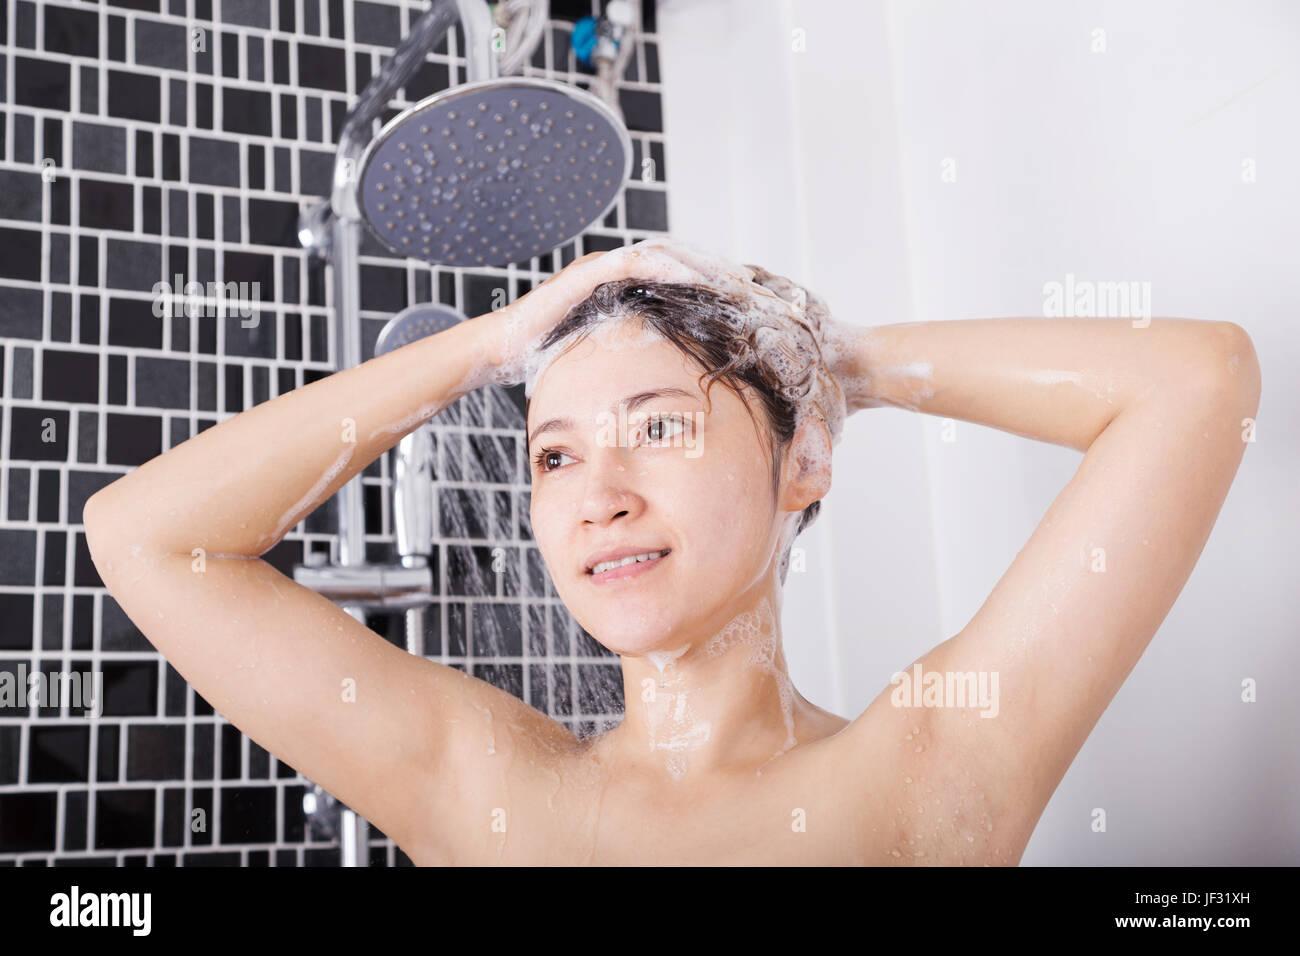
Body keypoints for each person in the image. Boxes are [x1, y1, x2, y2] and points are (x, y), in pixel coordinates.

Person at [83, 238, 1260, 864]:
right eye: (553, 455)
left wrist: (824, 361)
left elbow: (1197, 380)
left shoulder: (920, 774)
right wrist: (493, 343)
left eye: (659, 426)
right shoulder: (482, 788)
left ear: (801, 465)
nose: (598, 496)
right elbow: (143, 533)